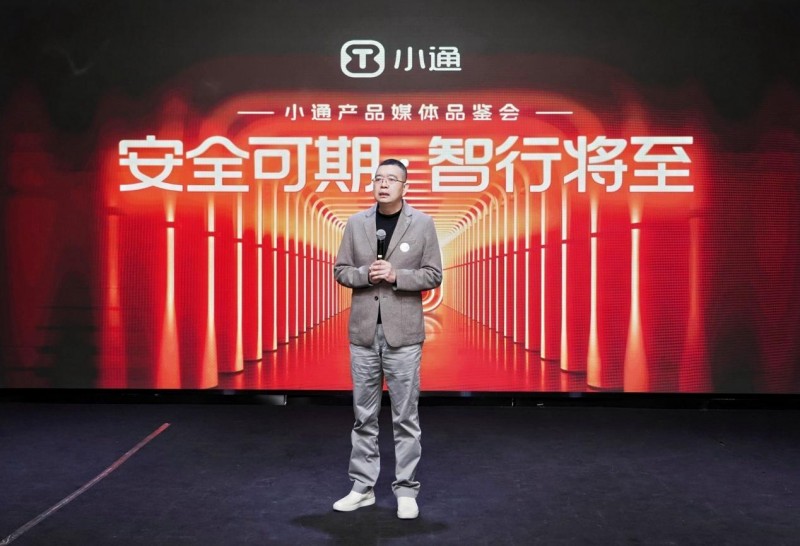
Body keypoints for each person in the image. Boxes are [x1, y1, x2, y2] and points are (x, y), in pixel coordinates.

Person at [332, 158, 443, 520]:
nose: (383, 184)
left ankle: (406, 490)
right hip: (364, 333)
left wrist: (397, 276)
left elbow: (433, 275)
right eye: (378, 179)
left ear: (404, 187)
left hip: (404, 335)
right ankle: (362, 488)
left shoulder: (422, 223)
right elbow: (341, 271)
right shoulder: (356, 223)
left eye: (391, 179)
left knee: (405, 416)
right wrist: (366, 274)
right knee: (363, 416)